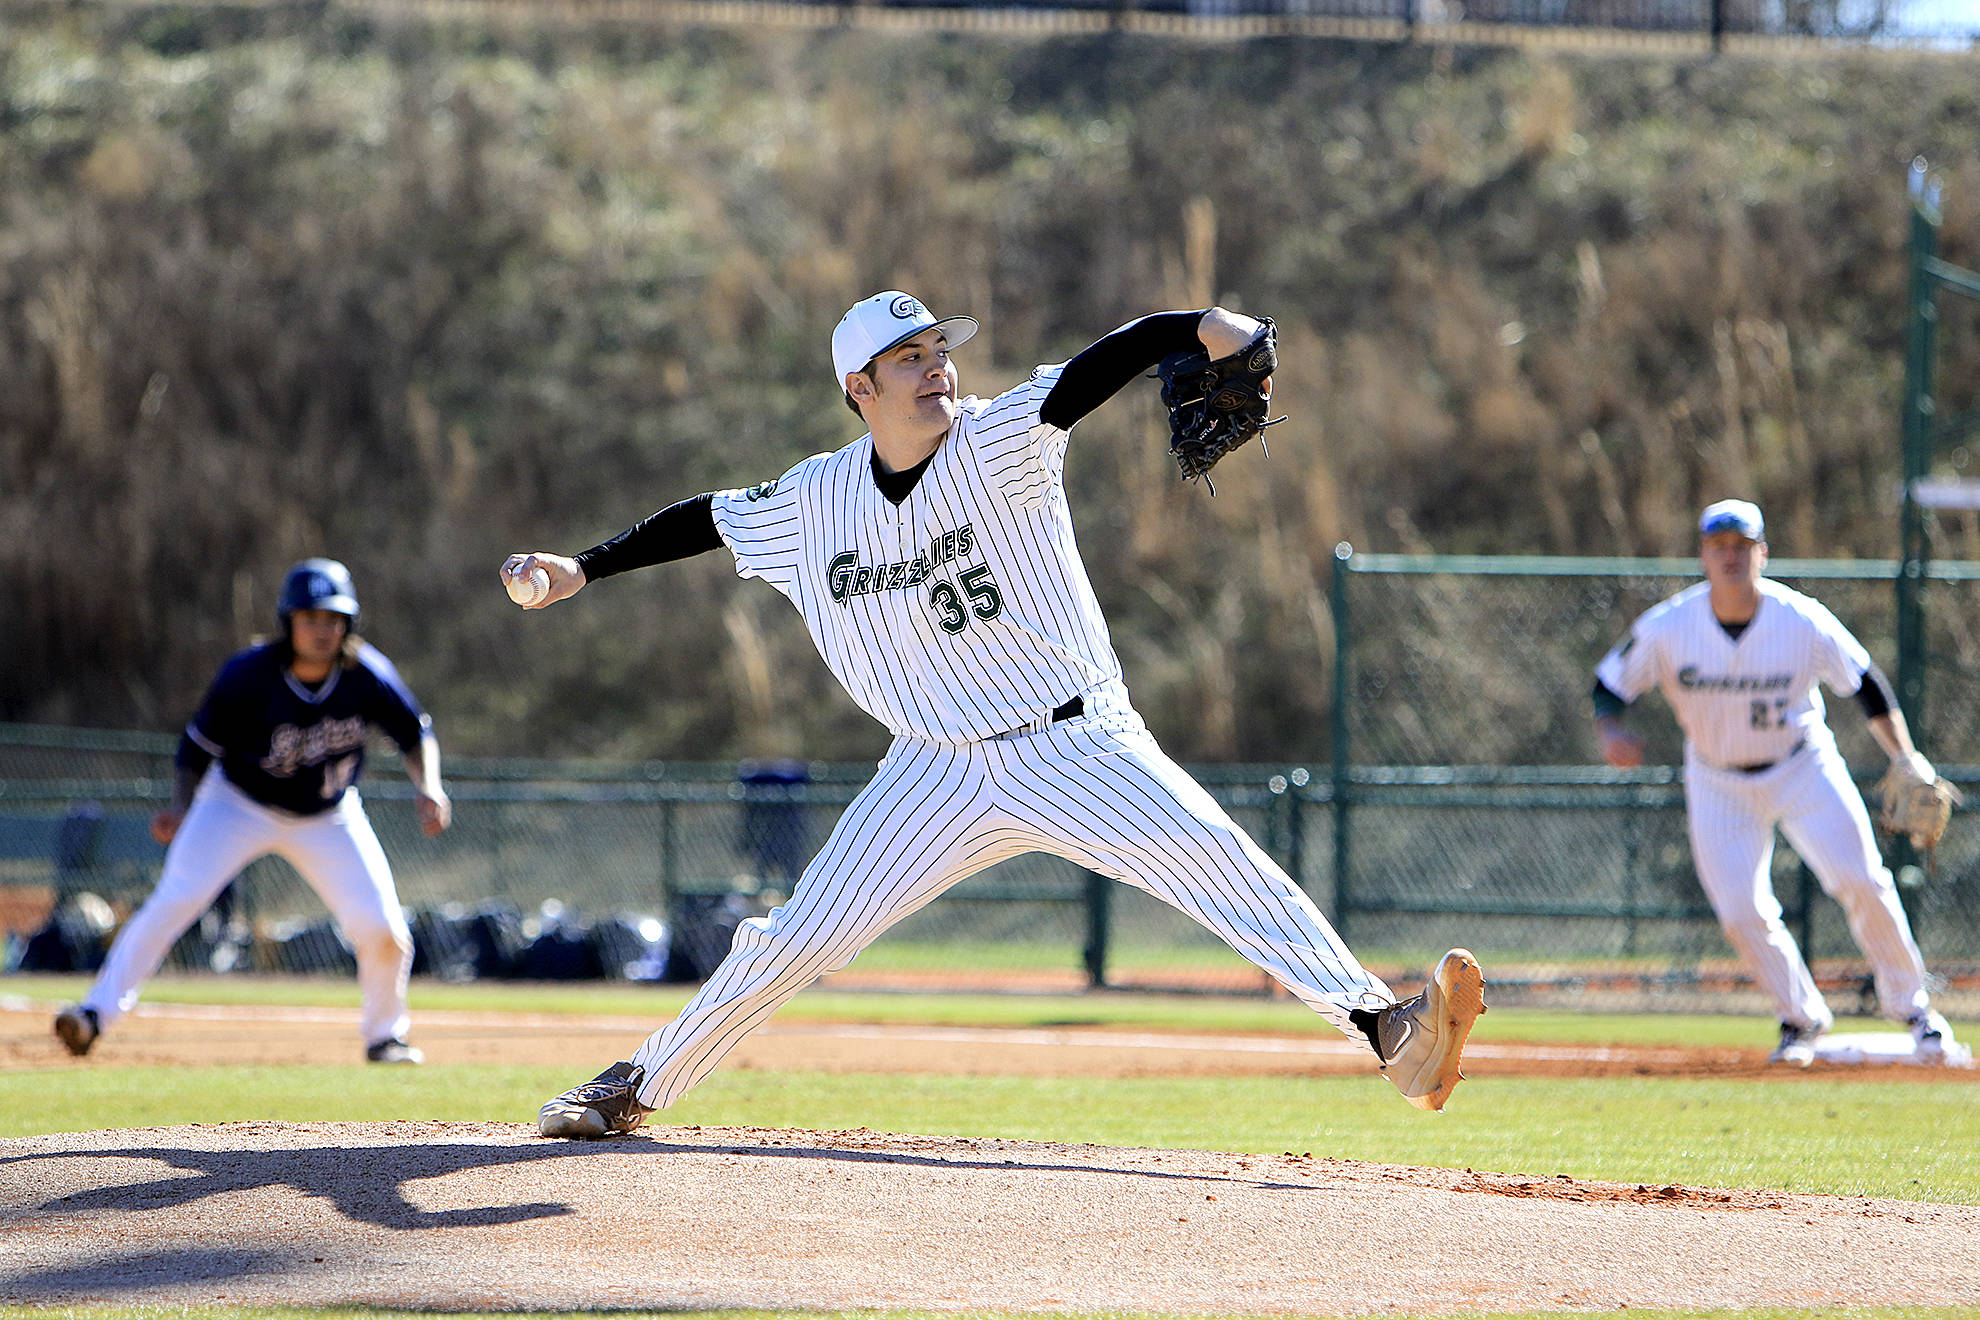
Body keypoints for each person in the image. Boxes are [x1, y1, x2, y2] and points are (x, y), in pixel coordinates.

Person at [502, 290, 1487, 1139]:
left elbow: (1097, 369)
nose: (937, 368)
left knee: (1219, 865)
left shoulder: (1000, 439)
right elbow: (707, 518)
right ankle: (637, 1084)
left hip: (1071, 742)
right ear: (859, 389)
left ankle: (1389, 1031)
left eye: (941, 351)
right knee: (796, 937)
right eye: (909, 359)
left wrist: (1198, 327)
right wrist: (581, 567)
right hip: (931, 769)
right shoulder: (814, 498)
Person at [1592, 499, 1965, 1067]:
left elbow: (1865, 682)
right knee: (1740, 910)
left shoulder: (1800, 618)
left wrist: (1905, 756)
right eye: (1719, 546)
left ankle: (1916, 1010)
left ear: (1762, 553)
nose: (1731, 556)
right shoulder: (1669, 627)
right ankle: (1800, 1018)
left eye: (1742, 546)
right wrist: (1610, 731)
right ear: (1703, 556)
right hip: (1717, 778)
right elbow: (1608, 684)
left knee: (1862, 879)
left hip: (1802, 765)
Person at [53, 558, 451, 1064]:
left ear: (348, 624)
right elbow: (196, 747)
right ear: (289, 621)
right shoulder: (249, 675)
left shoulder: (366, 674)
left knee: (383, 928)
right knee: (175, 901)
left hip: (328, 815)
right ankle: (93, 1014)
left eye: (333, 618)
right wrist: (180, 806)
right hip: (237, 804)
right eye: (310, 617)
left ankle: (385, 1036)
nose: (322, 629)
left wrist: (429, 786)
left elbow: (416, 734)